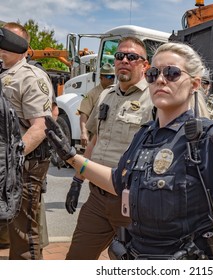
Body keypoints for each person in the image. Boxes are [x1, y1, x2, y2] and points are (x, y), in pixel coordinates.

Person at [45, 41, 213, 260]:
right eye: (153, 74)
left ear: (195, 84)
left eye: (172, 73)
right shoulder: (144, 135)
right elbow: (117, 181)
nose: (160, 79)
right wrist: (72, 158)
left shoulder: (207, 138)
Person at [63, 36, 153, 260]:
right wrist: (77, 181)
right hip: (97, 199)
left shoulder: (154, 99)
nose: (124, 60)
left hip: (132, 204)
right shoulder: (105, 95)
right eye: (120, 56)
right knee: (76, 259)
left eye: (132, 57)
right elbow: (94, 141)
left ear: (145, 65)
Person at [0, 22, 54, 260]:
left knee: (24, 238)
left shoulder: (30, 77)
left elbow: (40, 127)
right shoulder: (3, 73)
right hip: (5, 165)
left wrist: (11, 162)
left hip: (22, 166)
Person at [78, 63, 115, 147]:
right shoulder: (92, 94)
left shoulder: (116, 92)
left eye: (113, 76)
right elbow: (84, 114)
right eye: (109, 77)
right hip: (96, 135)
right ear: (101, 77)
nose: (112, 79)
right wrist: (84, 133)